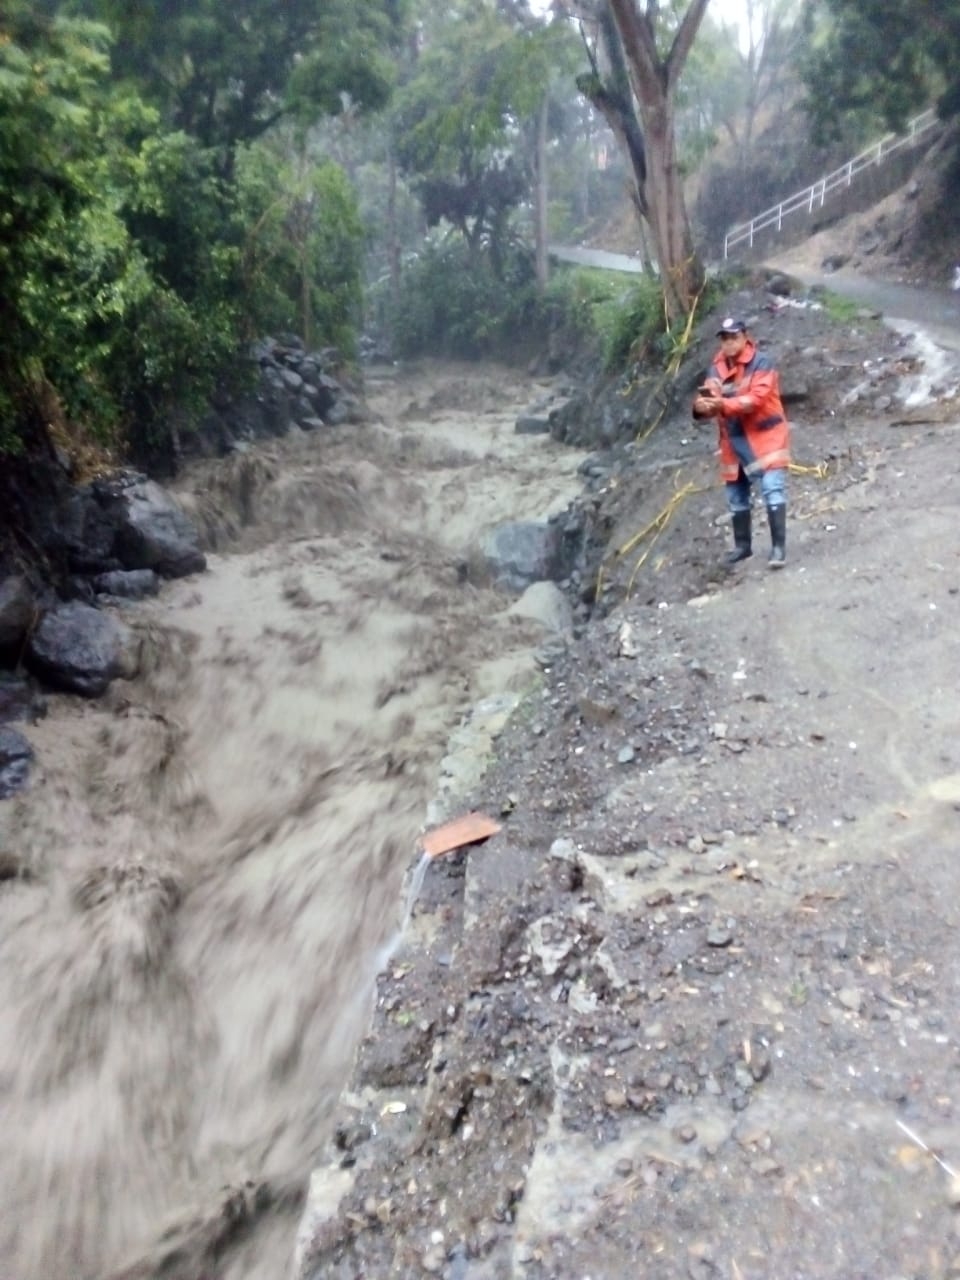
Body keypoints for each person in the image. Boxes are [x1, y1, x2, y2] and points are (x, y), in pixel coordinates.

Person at [692, 317, 790, 568]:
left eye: (734, 337)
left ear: (745, 337)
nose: (729, 343)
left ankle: (778, 549)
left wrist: (721, 404)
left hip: (765, 436)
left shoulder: (762, 363)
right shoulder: (717, 368)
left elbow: (755, 399)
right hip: (733, 439)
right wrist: (701, 407)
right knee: (735, 494)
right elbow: (710, 393)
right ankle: (742, 547)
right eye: (724, 339)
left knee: (772, 488)